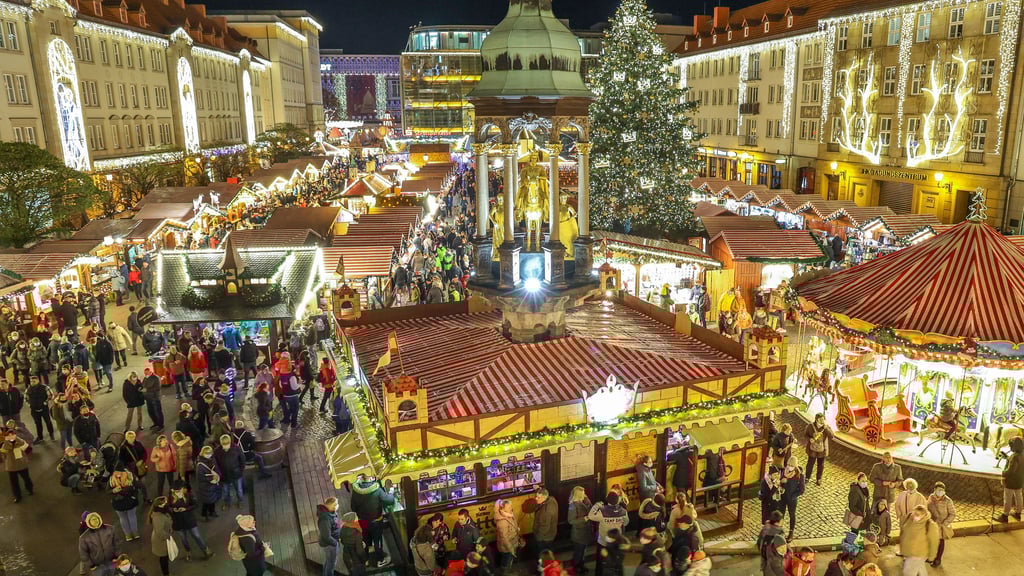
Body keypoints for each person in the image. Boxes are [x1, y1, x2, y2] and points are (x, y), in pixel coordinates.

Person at [351, 474, 395, 567]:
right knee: (377, 540)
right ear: (371, 478)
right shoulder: (377, 490)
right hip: (376, 521)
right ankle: (380, 560)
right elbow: (389, 501)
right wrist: (391, 491)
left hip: (362, 521)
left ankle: (366, 560)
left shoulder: (356, 491)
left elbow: (353, 508)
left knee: (366, 539)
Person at [588, 491, 628, 576]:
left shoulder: (602, 511)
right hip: (616, 541)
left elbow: (590, 516)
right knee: (616, 561)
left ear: (607, 500)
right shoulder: (623, 511)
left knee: (600, 562)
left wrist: (597, 505)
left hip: (603, 541)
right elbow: (626, 523)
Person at [170, 482, 212, 560]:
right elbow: (168, 508)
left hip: (189, 520)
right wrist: (173, 509)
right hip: (178, 522)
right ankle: (188, 552)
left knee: (197, 536)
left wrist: (186, 509)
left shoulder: (188, 495)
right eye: (175, 491)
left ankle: (206, 550)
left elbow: (196, 504)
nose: (177, 493)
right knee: (183, 539)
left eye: (179, 490)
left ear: (182, 489)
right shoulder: (170, 498)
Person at [900, 505, 939, 576]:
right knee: (921, 570)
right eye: (914, 513)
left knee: (908, 572)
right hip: (909, 552)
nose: (914, 516)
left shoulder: (930, 525)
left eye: (917, 515)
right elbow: (903, 531)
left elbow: (934, 542)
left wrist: (931, 556)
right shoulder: (910, 518)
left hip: (918, 554)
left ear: (924, 515)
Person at [927, 481, 956, 567]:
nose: (940, 492)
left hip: (941, 525)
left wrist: (945, 523)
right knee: (931, 541)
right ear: (935, 490)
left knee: (940, 542)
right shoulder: (931, 497)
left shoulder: (948, 500)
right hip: (932, 524)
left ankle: (938, 559)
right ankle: (930, 556)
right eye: (939, 490)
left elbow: (953, 514)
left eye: (942, 490)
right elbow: (928, 508)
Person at [0, 424, 32, 503]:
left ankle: (30, 489)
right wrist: (7, 442)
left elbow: (28, 449)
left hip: (21, 464)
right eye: (9, 435)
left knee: (26, 478)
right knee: (14, 483)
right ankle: (17, 496)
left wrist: (18, 440)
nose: (11, 437)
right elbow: (3, 451)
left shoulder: (20, 441)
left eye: (12, 435)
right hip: (11, 466)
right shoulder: (5, 444)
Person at [79, 512, 118, 576]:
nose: (95, 521)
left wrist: (117, 555)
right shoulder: (84, 537)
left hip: (112, 560)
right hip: (97, 565)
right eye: (93, 520)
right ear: (88, 522)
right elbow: (83, 553)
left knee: (114, 573)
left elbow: (117, 542)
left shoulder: (110, 529)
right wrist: (91, 565)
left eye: (96, 518)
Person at [110, 465, 142, 541]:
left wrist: (113, 491)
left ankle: (128, 534)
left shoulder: (111, 479)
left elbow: (108, 491)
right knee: (131, 516)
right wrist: (134, 496)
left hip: (119, 502)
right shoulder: (130, 476)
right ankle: (134, 533)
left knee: (124, 518)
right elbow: (137, 485)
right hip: (128, 501)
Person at [214, 433, 245, 509]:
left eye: (227, 443)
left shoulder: (236, 448)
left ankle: (240, 501)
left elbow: (242, 460)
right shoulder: (217, 451)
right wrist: (219, 473)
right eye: (224, 444)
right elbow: (216, 463)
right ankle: (227, 503)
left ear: (230, 442)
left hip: (236, 474)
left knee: (239, 490)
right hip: (224, 475)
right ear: (221, 443)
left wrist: (240, 470)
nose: (225, 446)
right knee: (225, 491)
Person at [567, 485, 593, 574]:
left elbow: (590, 507)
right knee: (579, 551)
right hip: (578, 533)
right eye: (583, 493)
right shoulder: (573, 506)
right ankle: (577, 566)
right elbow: (571, 520)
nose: (585, 494)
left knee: (583, 550)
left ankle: (581, 565)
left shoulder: (584, 500)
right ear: (578, 495)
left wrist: (586, 499)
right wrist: (583, 519)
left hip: (585, 531)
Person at [998, 436, 1024, 522]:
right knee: (1019, 496)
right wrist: (1008, 458)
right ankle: (1018, 513)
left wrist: (1003, 474)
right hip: (1020, 480)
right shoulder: (1022, 453)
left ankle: (1005, 515)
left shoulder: (1014, 456)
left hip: (1011, 481)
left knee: (1008, 497)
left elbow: (1011, 470)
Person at [803, 413, 833, 486]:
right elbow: (805, 434)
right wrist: (809, 439)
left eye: (823, 419)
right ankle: (807, 477)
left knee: (821, 465)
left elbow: (831, 436)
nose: (822, 420)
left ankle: (819, 479)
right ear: (816, 420)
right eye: (821, 419)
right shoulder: (810, 426)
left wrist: (826, 429)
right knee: (810, 463)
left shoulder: (826, 427)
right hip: (812, 449)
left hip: (821, 450)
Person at [495, 498, 522, 574]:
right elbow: (505, 538)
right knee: (506, 562)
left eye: (511, 506)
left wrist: (516, 528)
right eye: (509, 507)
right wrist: (511, 550)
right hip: (507, 547)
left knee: (508, 561)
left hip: (512, 543)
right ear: (503, 508)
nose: (511, 508)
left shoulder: (509, 515)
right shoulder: (502, 521)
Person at [779, 460, 805, 541]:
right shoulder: (784, 471)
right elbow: (780, 482)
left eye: (791, 465)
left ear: (795, 466)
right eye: (788, 465)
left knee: (792, 515)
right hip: (783, 497)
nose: (789, 466)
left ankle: (791, 533)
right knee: (781, 514)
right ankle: (779, 531)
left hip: (792, 499)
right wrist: (781, 484)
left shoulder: (799, 475)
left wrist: (793, 496)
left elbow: (801, 490)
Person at [195, 445, 221, 520]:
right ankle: (204, 514)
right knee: (206, 502)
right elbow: (200, 477)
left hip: (212, 486)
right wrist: (210, 479)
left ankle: (212, 511)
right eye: (207, 453)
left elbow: (216, 468)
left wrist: (217, 475)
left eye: (210, 453)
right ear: (203, 453)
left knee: (212, 501)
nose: (208, 455)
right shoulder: (200, 465)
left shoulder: (212, 459)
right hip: (205, 487)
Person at [26, 376, 55, 443]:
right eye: (31, 381)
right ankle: (40, 437)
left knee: (48, 422)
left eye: (34, 381)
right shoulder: (28, 389)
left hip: (44, 408)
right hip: (34, 410)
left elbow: (51, 395)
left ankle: (51, 434)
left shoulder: (45, 387)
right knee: (38, 424)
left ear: (38, 381)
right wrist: (29, 405)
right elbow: (26, 398)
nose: (32, 383)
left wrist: (45, 402)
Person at [318, 497, 342, 576]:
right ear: (329, 506)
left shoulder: (331, 512)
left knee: (328, 561)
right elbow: (326, 536)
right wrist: (335, 543)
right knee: (331, 563)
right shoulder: (325, 519)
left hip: (332, 542)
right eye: (335, 504)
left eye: (337, 504)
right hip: (330, 545)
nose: (337, 506)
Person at [341, 511, 367, 576]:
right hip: (357, 561)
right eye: (356, 517)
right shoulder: (357, 532)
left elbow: (342, 541)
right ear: (352, 520)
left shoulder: (343, 528)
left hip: (347, 557)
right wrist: (364, 559)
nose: (357, 518)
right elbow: (359, 551)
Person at [533, 488, 558, 556]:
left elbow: (544, 527)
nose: (536, 498)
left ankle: (542, 565)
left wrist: (538, 537)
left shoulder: (546, 512)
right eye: (536, 496)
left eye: (538, 497)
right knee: (549, 551)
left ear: (544, 497)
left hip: (544, 537)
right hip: (551, 534)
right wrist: (538, 489)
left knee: (542, 554)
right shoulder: (551, 499)